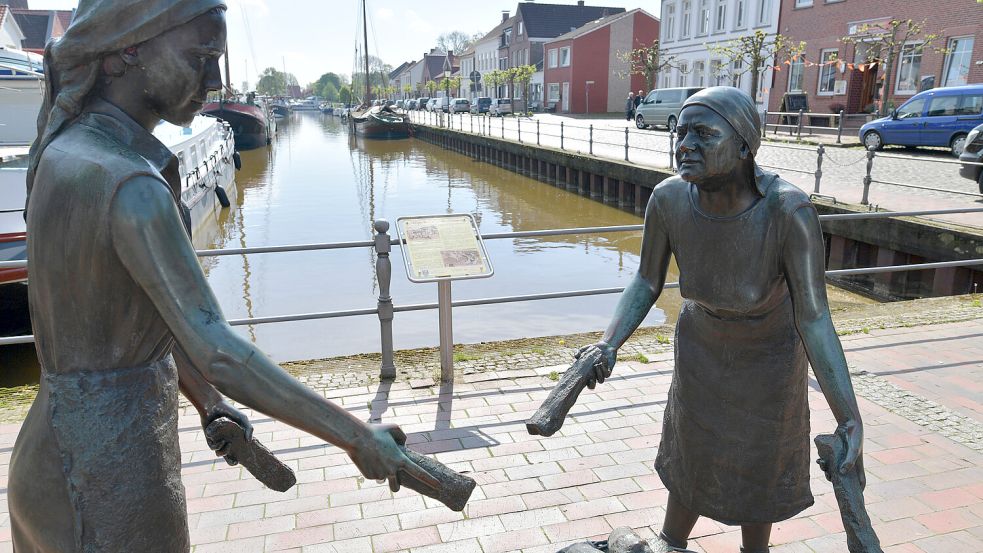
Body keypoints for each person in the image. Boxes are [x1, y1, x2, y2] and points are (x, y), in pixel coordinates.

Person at [9, 2, 437, 551]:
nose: (213, 81)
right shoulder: (131, 188)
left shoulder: (61, 152)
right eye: (201, 57)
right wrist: (358, 438)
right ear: (127, 49)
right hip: (111, 478)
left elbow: (123, 327)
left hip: (45, 461)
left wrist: (207, 402)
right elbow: (219, 351)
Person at [576, 87, 865, 553]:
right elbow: (647, 281)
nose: (684, 143)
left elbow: (814, 319)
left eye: (703, 134)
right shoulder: (668, 200)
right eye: (680, 130)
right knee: (691, 449)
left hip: (769, 360)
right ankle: (672, 541)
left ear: (745, 145)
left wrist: (849, 418)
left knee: (761, 465)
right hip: (700, 351)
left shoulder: (788, 212)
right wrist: (608, 344)